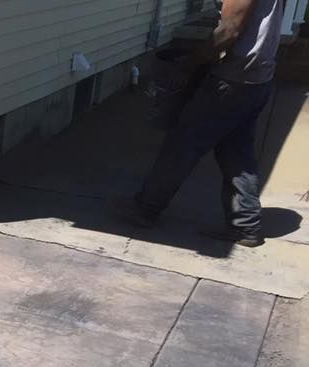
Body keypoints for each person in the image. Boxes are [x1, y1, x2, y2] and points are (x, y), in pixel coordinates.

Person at [120, 0, 285, 247]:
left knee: (184, 144)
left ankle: (145, 208)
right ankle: (246, 226)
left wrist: (191, 63)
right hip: (258, 77)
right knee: (237, 154)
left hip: (233, 78)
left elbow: (229, 29)